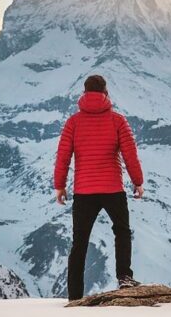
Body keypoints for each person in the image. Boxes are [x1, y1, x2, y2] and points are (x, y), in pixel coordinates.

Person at [54, 74, 145, 301]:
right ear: (105, 92)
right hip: (113, 188)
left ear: (84, 93)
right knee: (121, 231)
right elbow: (130, 155)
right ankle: (124, 276)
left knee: (80, 242)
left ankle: (75, 295)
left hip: (84, 191)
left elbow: (63, 156)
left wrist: (60, 186)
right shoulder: (117, 120)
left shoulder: (73, 122)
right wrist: (138, 182)